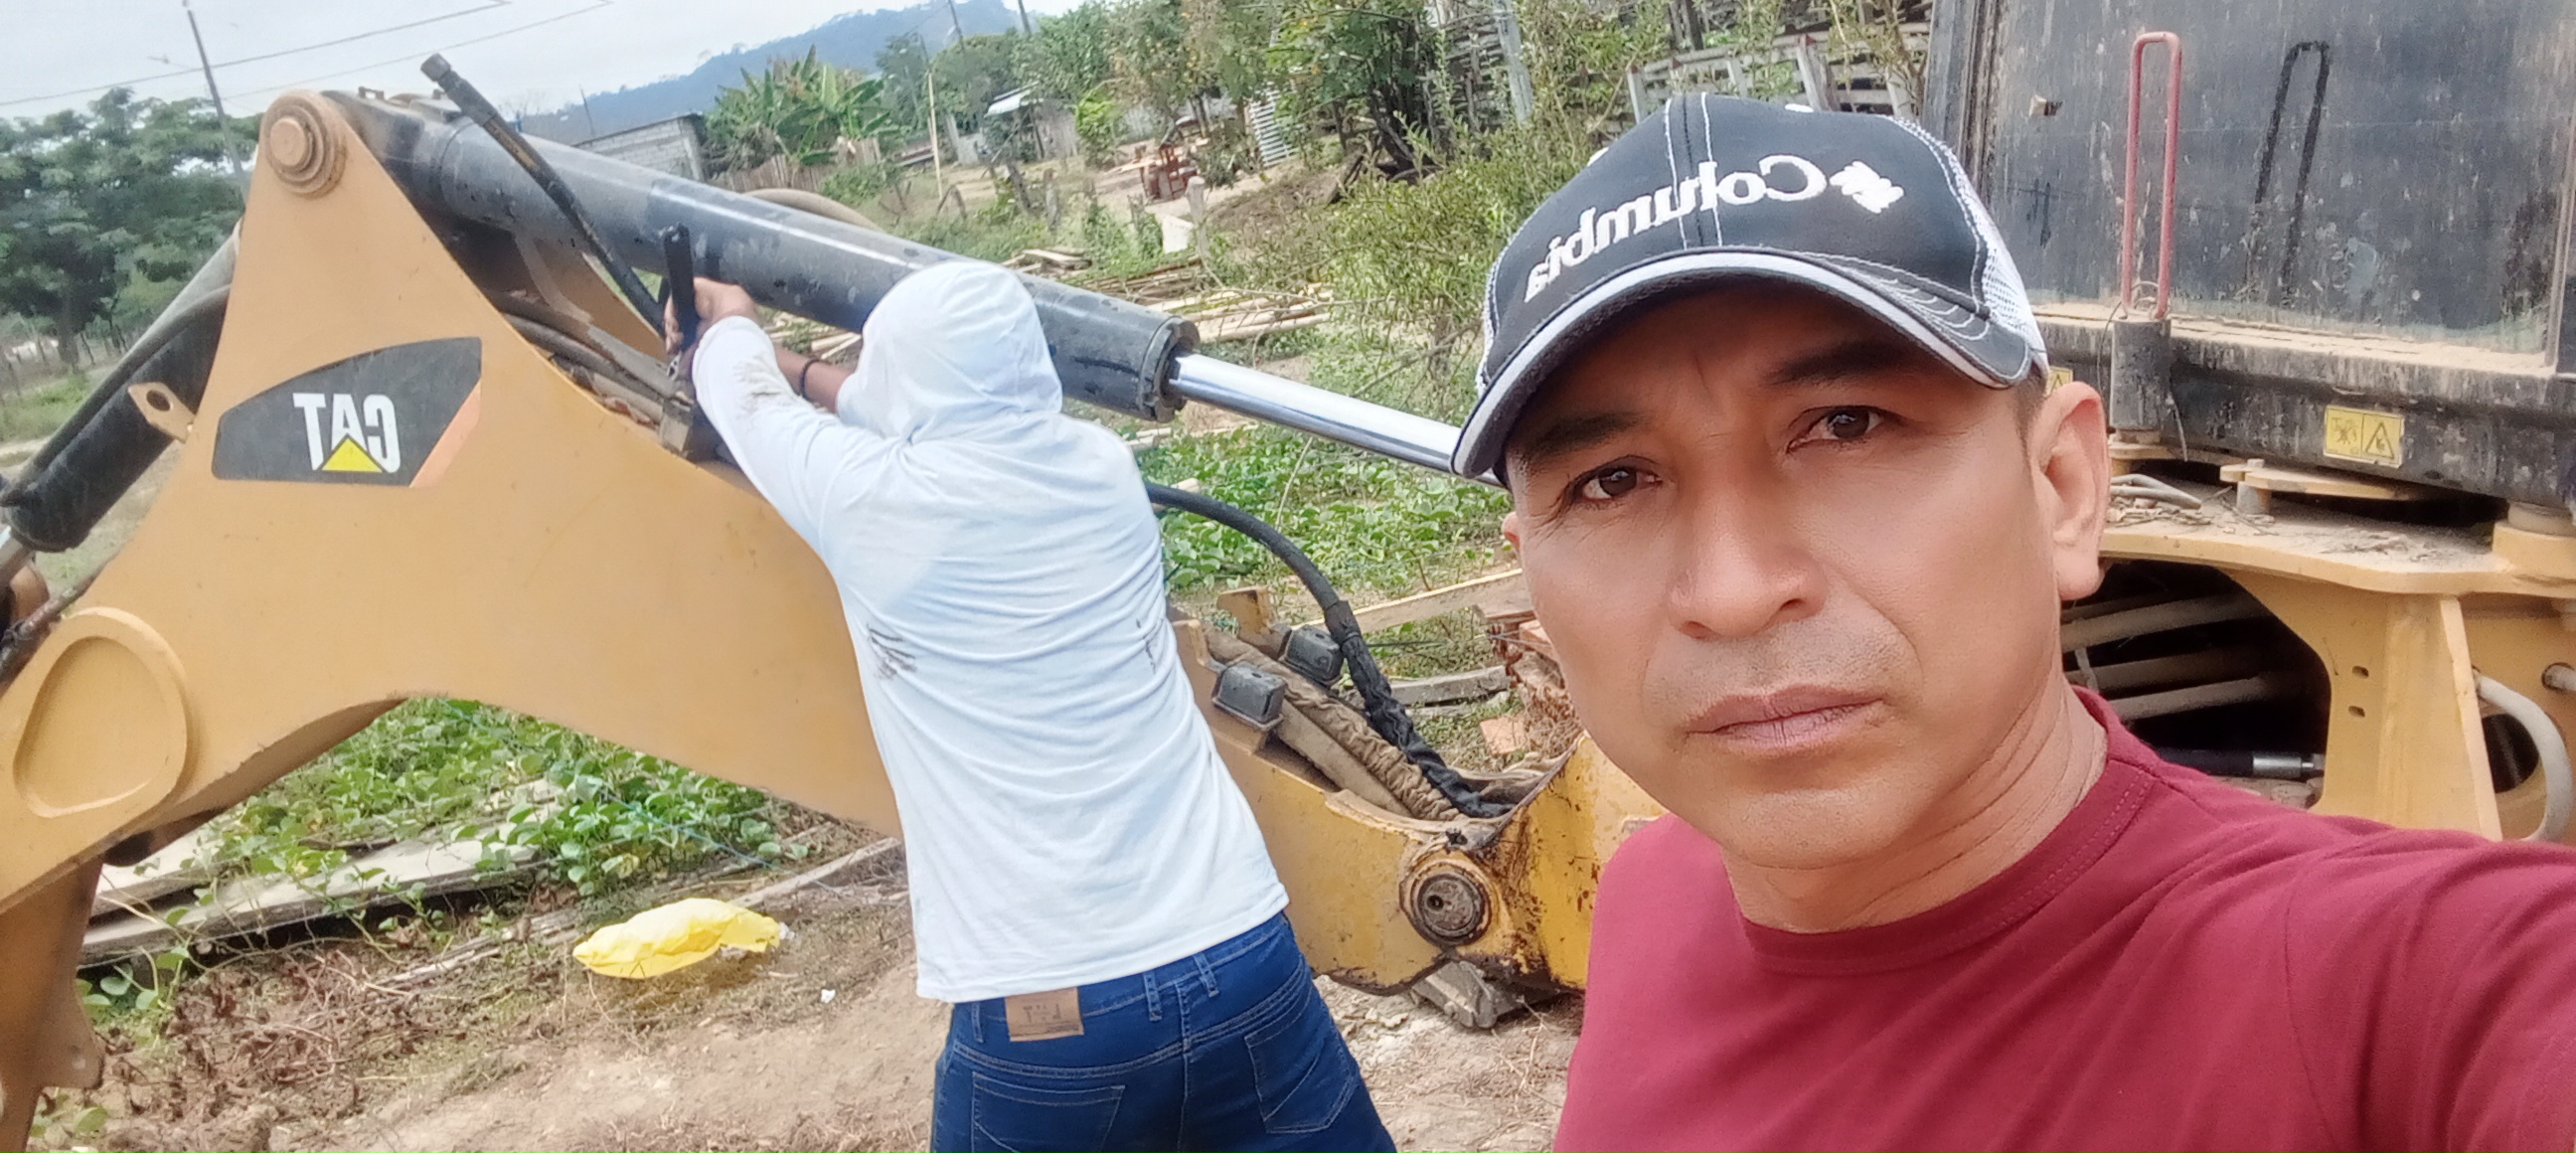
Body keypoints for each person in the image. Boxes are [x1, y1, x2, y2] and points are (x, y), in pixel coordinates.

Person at [1450, 94, 2576, 1151]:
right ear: (1530, 568)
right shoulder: (1648, 898)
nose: (1735, 590)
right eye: (1610, 481)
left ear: (2062, 488)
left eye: (1847, 424)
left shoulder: (2419, 994)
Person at [671, 260, 1393, 1152]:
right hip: (1240, 956)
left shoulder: (867, 500)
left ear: (897, 380)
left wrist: (731, 323)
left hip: (1048, 1016)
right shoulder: (1101, 472)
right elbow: (919, 405)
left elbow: (746, 404)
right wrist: (805, 369)